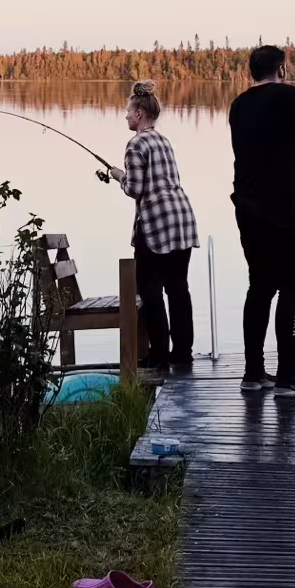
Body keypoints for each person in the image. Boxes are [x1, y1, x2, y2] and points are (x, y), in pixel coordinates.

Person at [229, 45, 295, 396]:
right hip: (285, 212)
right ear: (282, 69)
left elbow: (264, 145)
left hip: (247, 210)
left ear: (252, 72)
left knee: (259, 288)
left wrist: (294, 145)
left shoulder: (238, 105)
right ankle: (288, 375)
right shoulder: (291, 97)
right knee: (292, 289)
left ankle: (253, 374)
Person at [108, 79, 198, 374]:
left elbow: (135, 189)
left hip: (156, 222)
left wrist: (117, 176)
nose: (125, 116)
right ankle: (183, 353)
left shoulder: (135, 144)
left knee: (149, 290)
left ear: (139, 114)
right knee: (178, 288)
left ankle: (158, 356)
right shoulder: (162, 140)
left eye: (128, 111)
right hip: (181, 217)